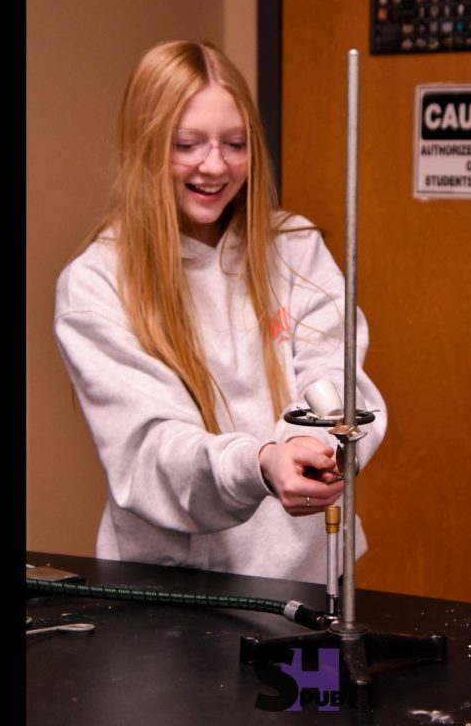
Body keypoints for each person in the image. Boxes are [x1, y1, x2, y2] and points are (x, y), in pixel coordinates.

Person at [53, 40, 386, 584]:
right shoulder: (95, 285)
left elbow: (341, 379)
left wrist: (314, 443)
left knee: (322, 675)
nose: (215, 166)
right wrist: (261, 462)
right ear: (145, 146)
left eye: (235, 143)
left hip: (311, 578)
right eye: (187, 144)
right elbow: (154, 449)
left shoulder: (295, 248)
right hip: (171, 592)